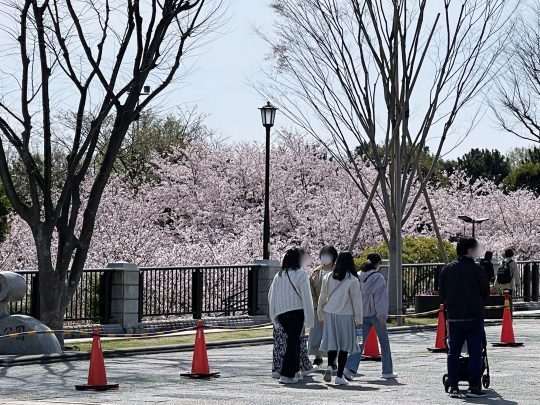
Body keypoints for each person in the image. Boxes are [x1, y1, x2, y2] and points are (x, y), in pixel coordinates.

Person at [439, 236, 490, 399]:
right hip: (474, 315)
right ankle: (474, 386)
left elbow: (442, 293)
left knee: (453, 352)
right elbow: (485, 292)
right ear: (469, 250)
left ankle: (454, 386)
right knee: (475, 352)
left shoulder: (447, 269)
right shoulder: (477, 270)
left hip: (454, 316)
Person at [345, 253, 397, 380]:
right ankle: (387, 371)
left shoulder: (357, 276)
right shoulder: (378, 278)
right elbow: (380, 299)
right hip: (375, 314)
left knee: (359, 342)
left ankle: (349, 368)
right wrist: (383, 316)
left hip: (361, 314)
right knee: (384, 342)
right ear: (378, 264)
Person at [268, 247, 314, 384]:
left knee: (293, 342)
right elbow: (306, 297)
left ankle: (295, 371)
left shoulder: (279, 275)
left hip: (281, 313)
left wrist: (274, 316)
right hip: (296, 312)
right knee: (294, 343)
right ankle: (286, 374)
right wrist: (310, 319)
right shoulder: (301, 274)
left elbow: (272, 296)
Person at [318, 251, 363, 386]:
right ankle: (339, 377)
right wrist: (359, 321)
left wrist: (320, 315)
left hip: (330, 314)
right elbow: (357, 303)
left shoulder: (328, 277)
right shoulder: (352, 280)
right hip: (346, 316)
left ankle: (331, 365)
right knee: (344, 346)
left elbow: (322, 298)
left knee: (332, 343)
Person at [308, 245, 339, 368]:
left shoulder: (338, 271)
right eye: (323, 255)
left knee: (333, 334)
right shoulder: (316, 272)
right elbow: (311, 290)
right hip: (318, 309)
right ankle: (318, 357)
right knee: (317, 334)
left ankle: (333, 360)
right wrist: (316, 305)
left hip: (335, 308)